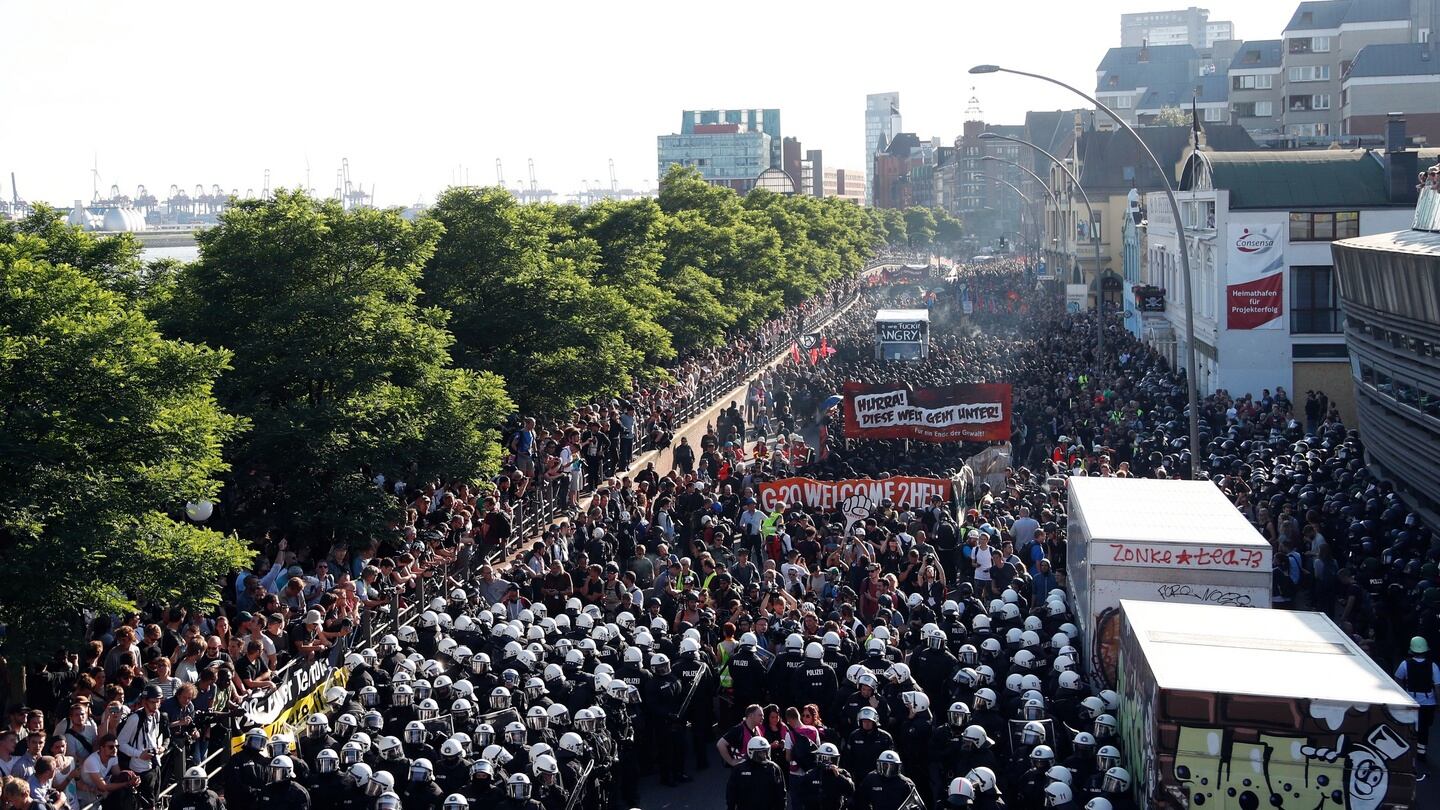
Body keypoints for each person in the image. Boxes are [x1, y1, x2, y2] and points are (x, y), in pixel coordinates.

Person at [1394, 636, 1440, 759]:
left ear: (1411, 650)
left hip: (1411, 701)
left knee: (1410, 727)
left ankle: (1409, 750)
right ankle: (1421, 752)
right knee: (1425, 728)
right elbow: (1437, 687)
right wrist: (1438, 703)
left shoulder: (1405, 664)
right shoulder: (1433, 666)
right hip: (1428, 703)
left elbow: (1397, 679)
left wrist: (1402, 693)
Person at [726, 737, 786, 810]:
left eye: (765, 751)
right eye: (760, 753)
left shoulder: (774, 768)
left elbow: (781, 795)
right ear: (751, 752)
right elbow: (731, 794)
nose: (764, 755)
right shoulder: (739, 769)